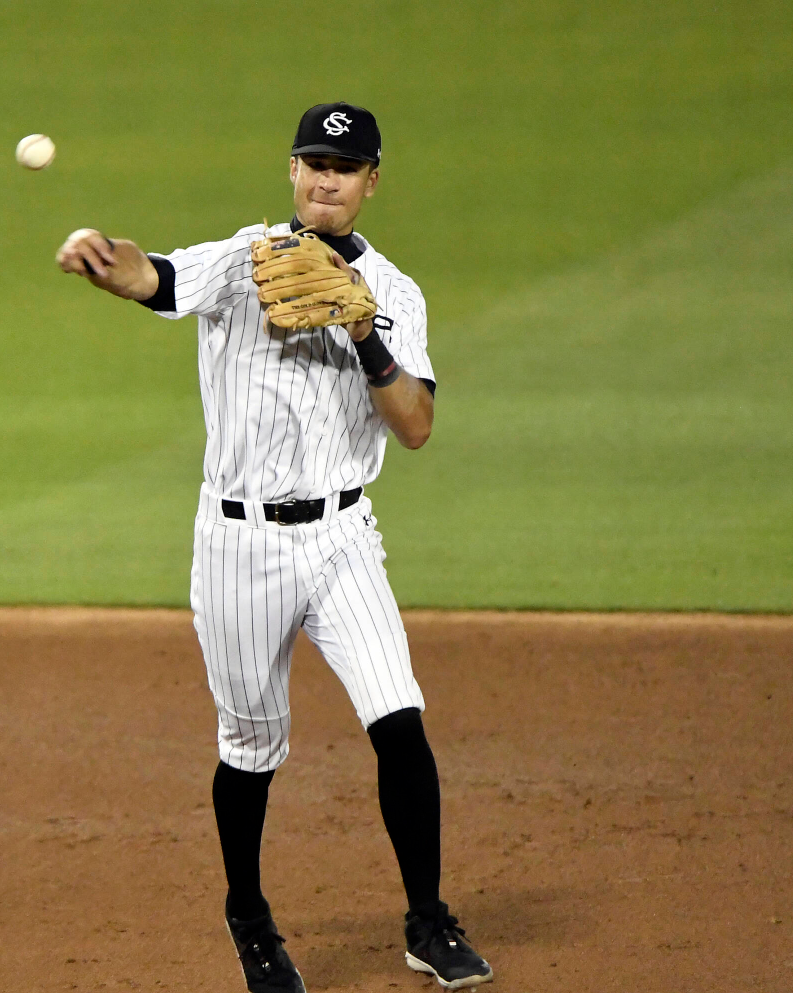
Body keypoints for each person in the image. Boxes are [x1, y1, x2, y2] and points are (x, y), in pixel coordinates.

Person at [56, 102, 493, 992]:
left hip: (341, 537)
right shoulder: (241, 259)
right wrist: (107, 258)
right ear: (292, 172)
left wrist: (364, 331)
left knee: (398, 717)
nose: (325, 178)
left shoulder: (396, 295)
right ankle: (250, 920)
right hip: (238, 546)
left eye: (344, 165)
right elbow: (157, 278)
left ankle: (427, 918)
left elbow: (414, 426)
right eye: (311, 162)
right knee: (252, 745)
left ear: (373, 180)